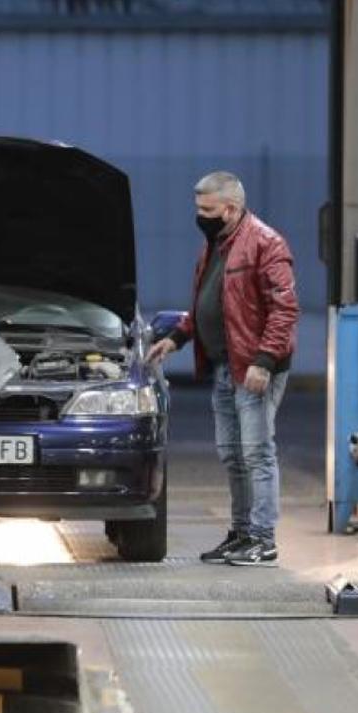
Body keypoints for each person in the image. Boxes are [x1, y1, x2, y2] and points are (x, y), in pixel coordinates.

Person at [148, 171, 299, 567]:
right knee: (233, 455)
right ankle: (241, 533)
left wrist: (264, 361)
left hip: (254, 368)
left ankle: (263, 539)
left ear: (230, 209)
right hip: (224, 366)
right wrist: (177, 338)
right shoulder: (215, 245)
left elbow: (284, 310)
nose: (200, 215)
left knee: (257, 453)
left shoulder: (266, 244)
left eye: (207, 209)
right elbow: (207, 304)